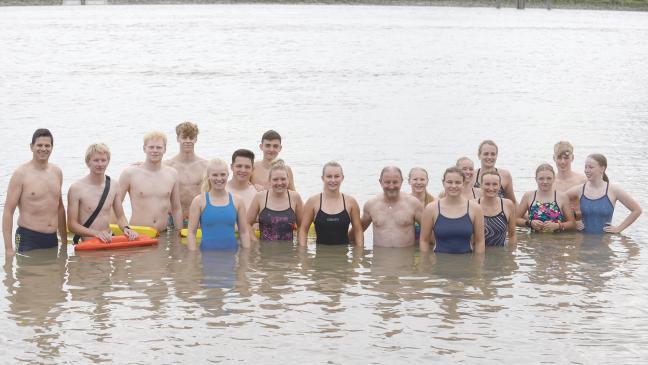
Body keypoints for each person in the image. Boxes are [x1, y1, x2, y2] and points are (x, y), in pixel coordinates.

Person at [3, 128, 67, 255]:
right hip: (28, 238)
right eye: (39, 145)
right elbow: (8, 211)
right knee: (28, 274)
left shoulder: (57, 172)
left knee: (54, 274)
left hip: (52, 239)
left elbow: (59, 208)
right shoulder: (21, 174)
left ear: (52, 148)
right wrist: (8, 248)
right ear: (31, 147)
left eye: (47, 145)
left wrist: (64, 242)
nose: (43, 149)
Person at [67, 143, 137, 242]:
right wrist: (97, 234)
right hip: (89, 243)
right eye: (96, 160)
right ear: (88, 162)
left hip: (109, 240)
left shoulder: (114, 185)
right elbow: (72, 225)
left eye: (103, 160)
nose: (100, 164)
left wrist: (127, 228)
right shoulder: (76, 189)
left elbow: (120, 217)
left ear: (108, 161)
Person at [118, 131, 182, 233]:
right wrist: (121, 229)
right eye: (151, 147)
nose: (155, 151)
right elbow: (116, 205)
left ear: (164, 149)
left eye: (159, 147)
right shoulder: (129, 174)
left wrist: (179, 233)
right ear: (144, 149)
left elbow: (176, 208)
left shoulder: (172, 174)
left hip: (163, 234)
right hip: (137, 233)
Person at [566, 154, 642, 234]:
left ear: (602, 168)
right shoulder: (580, 189)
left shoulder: (614, 190)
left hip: (604, 242)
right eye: (585, 167)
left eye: (591, 167)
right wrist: (573, 222)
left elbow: (637, 210)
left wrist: (618, 229)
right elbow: (558, 200)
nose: (587, 170)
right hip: (582, 240)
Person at [186, 159, 251, 250]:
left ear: (228, 175)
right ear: (208, 176)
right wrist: (192, 259)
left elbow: (244, 232)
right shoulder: (199, 201)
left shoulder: (237, 201)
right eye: (215, 175)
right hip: (207, 256)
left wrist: (245, 258)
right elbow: (191, 233)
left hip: (231, 255)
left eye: (223, 174)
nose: (219, 179)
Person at [420, 167, 485, 253]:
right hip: (439, 262)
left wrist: (478, 265)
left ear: (463, 183)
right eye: (449, 182)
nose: (453, 186)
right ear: (443, 183)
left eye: (458, 182)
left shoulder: (475, 209)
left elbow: (480, 241)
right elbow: (424, 240)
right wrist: (425, 264)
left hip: (467, 262)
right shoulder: (431, 209)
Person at [298, 162, 363, 246]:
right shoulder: (313, 202)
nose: (333, 180)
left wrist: (358, 255)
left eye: (336, 176)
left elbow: (358, 230)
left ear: (342, 178)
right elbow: (303, 229)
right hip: (320, 257)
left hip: (343, 256)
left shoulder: (351, 202)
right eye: (329, 176)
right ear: (322, 178)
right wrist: (303, 254)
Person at [360, 166, 423, 248]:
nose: (391, 186)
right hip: (380, 258)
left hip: (405, 258)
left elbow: (429, 231)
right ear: (380, 182)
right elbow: (358, 231)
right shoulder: (371, 205)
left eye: (395, 182)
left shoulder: (414, 204)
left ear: (401, 182)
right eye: (387, 182)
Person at [164, 122, 208, 226]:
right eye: (184, 137)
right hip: (172, 218)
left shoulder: (206, 166)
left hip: (199, 218)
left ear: (196, 139)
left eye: (191, 137)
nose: (188, 141)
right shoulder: (167, 166)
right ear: (178, 139)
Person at [247, 161, 303, 241]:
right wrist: (255, 242)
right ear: (270, 180)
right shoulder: (260, 197)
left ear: (288, 179)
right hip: (265, 251)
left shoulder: (295, 197)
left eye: (283, 179)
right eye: (275, 179)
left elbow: (301, 226)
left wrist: (300, 248)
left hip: (289, 252)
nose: (279, 183)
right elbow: (247, 224)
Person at [515, 163, 576, 232]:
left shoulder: (562, 197)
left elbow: (572, 224)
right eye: (541, 179)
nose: (545, 182)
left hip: (557, 241)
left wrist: (557, 226)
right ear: (536, 179)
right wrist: (529, 223)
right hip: (534, 241)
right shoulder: (528, 196)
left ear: (554, 179)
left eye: (549, 178)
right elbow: (515, 219)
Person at [476, 171, 516, 246]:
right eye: (487, 184)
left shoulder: (508, 205)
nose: (491, 188)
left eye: (495, 184)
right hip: (477, 253)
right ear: (481, 185)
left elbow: (512, 236)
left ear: (499, 186)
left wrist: (511, 256)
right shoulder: (473, 205)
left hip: (500, 254)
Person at [473, 140, 516, 204]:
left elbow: (513, 202)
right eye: (486, 154)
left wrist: (527, 213)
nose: (489, 157)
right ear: (479, 155)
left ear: (496, 156)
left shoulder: (505, 175)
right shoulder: (472, 175)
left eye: (493, 154)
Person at [408, 167, 434, 240]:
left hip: (429, 246)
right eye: (415, 179)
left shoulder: (434, 203)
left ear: (427, 181)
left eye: (422, 179)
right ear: (409, 181)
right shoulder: (404, 203)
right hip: (409, 247)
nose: (419, 182)